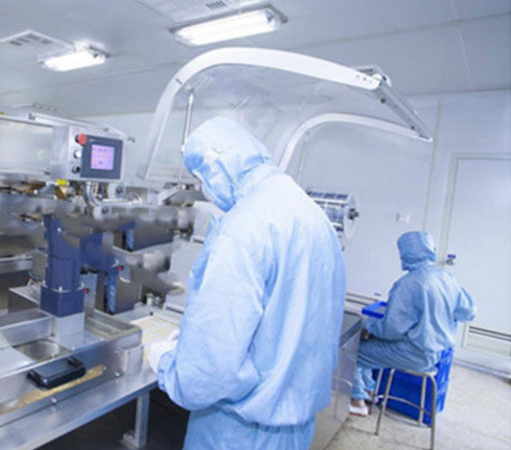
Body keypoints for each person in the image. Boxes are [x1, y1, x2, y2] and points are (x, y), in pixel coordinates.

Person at [147, 117, 346, 449]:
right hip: (295, 428)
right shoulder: (314, 216)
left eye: (202, 178)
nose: (205, 188)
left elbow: (207, 374)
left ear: (217, 166)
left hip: (238, 431)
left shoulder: (243, 228)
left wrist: (168, 363)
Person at [349, 231, 476, 415]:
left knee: (354, 350)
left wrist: (368, 326)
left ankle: (357, 401)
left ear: (407, 253)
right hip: (435, 353)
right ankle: (369, 392)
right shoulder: (447, 278)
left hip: (413, 353)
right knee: (368, 349)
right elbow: (468, 313)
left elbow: (392, 330)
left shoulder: (408, 284)